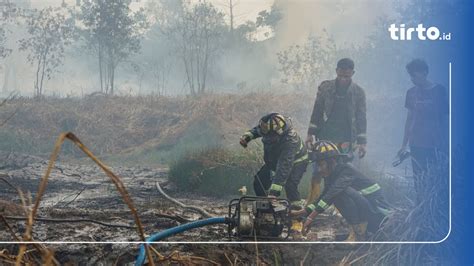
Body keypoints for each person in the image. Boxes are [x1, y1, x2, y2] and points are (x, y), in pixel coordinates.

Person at [293, 140, 390, 241]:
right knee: (334, 193)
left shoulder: (346, 171)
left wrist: (311, 217)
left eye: (321, 164)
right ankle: (359, 231)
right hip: (369, 211)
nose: (319, 169)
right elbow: (325, 195)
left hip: (378, 216)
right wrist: (305, 211)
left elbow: (332, 194)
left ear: (332, 161)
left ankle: (358, 234)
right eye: (318, 165)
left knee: (340, 193)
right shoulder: (332, 173)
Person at [305, 58, 367, 204]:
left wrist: (362, 142)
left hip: (345, 139)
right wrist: (310, 133)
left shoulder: (358, 92)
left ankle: (337, 204)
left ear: (353, 73)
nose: (343, 79)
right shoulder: (325, 87)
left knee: (341, 171)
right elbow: (317, 110)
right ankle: (312, 203)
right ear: (336, 71)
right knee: (318, 170)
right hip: (325, 137)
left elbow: (361, 117)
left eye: (347, 76)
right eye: (340, 75)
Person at [398, 59, 448, 203]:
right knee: (418, 180)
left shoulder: (439, 91)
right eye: (411, 76)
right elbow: (409, 119)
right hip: (416, 143)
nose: (412, 79)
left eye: (415, 75)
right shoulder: (411, 93)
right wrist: (403, 145)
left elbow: (445, 119)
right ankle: (421, 209)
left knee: (434, 180)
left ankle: (435, 209)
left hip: (435, 144)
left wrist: (445, 143)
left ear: (425, 73)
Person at [240, 113, 309, 207]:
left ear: (280, 133)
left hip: (297, 162)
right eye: (266, 135)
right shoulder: (267, 127)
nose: (268, 139)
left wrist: (273, 193)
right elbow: (257, 130)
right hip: (274, 161)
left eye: (271, 137)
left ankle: (296, 212)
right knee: (259, 182)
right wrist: (246, 138)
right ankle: (266, 208)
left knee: (290, 186)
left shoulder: (291, 140)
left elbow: (283, 166)